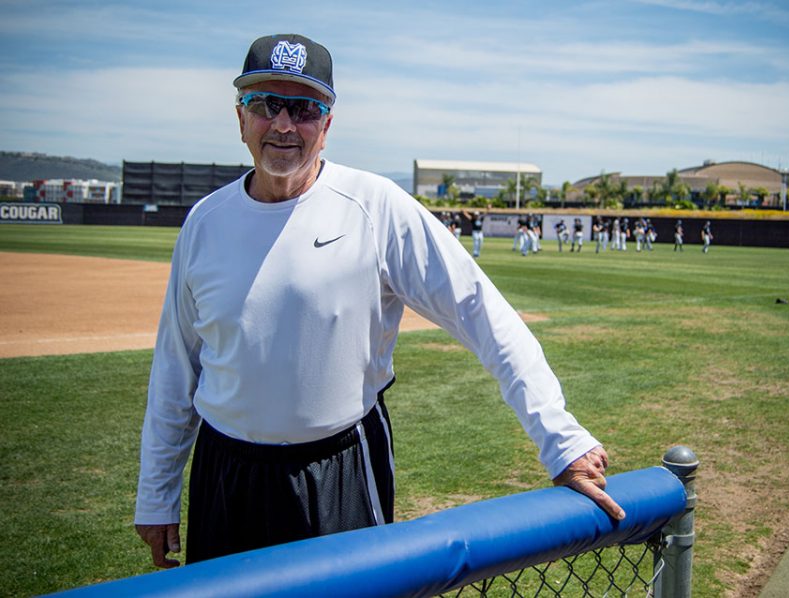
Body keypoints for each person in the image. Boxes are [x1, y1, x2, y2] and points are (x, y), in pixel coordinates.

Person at [135, 33, 624, 569]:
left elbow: (482, 313)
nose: (282, 124)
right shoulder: (205, 222)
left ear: (327, 124)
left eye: (303, 108)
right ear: (240, 118)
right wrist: (157, 495)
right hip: (224, 473)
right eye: (266, 104)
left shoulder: (374, 207)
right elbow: (175, 369)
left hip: (339, 467)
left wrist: (559, 438)